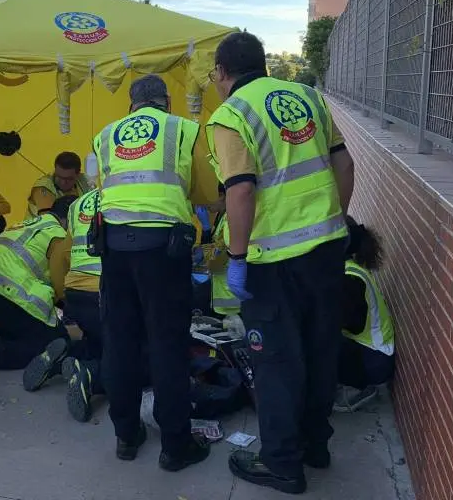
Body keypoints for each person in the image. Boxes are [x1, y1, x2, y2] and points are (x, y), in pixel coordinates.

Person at [205, 31, 355, 495]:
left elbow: (241, 189)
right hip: (327, 250)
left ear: (223, 73)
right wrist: (334, 221)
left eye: (214, 73)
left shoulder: (231, 115)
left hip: (273, 262)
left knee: (276, 363)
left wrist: (236, 257)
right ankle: (316, 446)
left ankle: (282, 464)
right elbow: (345, 164)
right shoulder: (308, 96)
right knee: (319, 351)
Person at [93, 74, 215, 472]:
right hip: (164, 249)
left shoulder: (106, 134)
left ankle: (126, 436)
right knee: (167, 343)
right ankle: (176, 445)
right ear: (165, 101)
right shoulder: (184, 129)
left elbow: (104, 188)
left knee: (121, 341)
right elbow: (208, 193)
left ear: (131, 104)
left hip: (113, 246)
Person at [21, 188, 107, 423]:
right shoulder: (132, 196)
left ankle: (66, 356)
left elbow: (61, 255)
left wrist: (63, 297)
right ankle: (91, 376)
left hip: (77, 294)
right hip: (107, 295)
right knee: (142, 355)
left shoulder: (80, 203)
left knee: (101, 342)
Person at [0, 196, 74, 370]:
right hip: (8, 293)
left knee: (26, 329)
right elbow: (60, 282)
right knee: (55, 343)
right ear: (70, 218)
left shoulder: (29, 224)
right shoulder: (58, 235)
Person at [335, 216, 394, 413]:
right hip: (369, 354)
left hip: (373, 361)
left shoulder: (350, 278)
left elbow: (350, 323)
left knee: (317, 339)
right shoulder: (346, 269)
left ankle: (358, 389)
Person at [26, 152, 91, 218]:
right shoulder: (43, 187)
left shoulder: (85, 181)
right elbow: (49, 219)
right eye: (59, 177)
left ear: (78, 174)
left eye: (68, 179)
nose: (63, 182)